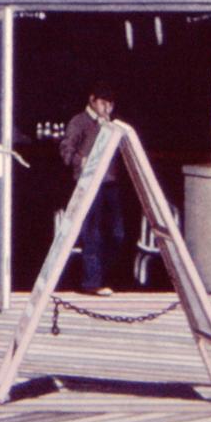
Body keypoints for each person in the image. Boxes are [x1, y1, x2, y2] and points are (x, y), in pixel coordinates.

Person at [57, 85, 125, 296]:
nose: (107, 107)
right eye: (103, 102)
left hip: (110, 183)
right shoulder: (79, 122)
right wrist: (81, 161)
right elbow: (66, 149)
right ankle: (91, 281)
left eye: (110, 103)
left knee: (116, 233)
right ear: (92, 100)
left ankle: (105, 276)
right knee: (92, 232)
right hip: (88, 183)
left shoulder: (112, 126)